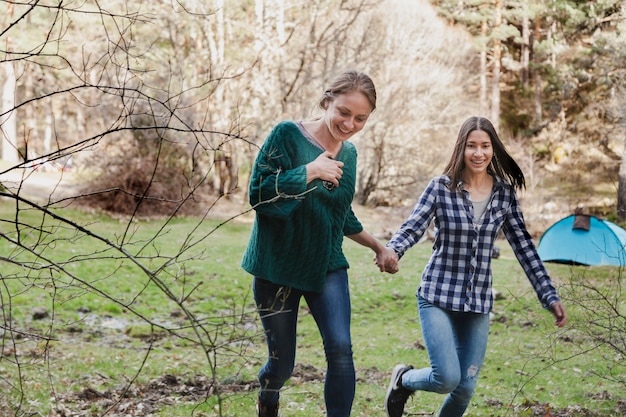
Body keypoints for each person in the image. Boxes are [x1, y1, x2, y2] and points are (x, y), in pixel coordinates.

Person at [377, 116, 567, 417]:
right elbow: (413, 226)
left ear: (493, 150)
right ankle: (404, 379)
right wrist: (393, 251)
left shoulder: (504, 194)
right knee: (447, 378)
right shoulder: (441, 187)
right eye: (471, 146)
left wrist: (549, 295)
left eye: (485, 146)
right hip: (437, 294)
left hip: (477, 302)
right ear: (461, 149)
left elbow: (525, 249)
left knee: (464, 388)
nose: (478, 153)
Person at [241, 69, 394, 417]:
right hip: (276, 265)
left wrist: (377, 247)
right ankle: (268, 399)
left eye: (360, 118)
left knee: (341, 349)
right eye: (343, 112)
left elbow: (339, 215)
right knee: (281, 366)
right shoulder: (286, 135)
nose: (349, 123)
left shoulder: (349, 154)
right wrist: (309, 171)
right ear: (327, 102)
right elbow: (258, 193)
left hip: (326, 262)